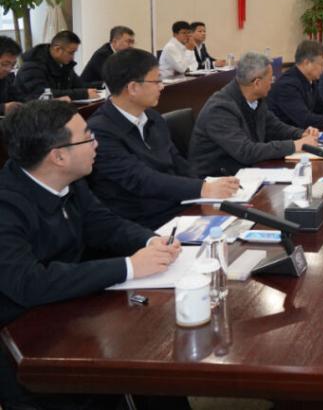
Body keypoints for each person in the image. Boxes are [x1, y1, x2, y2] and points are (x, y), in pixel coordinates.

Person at [0, 101, 181, 408]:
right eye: (88, 137)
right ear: (58, 156)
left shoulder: (70, 181)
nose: (96, 143)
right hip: (25, 342)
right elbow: (29, 282)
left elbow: (104, 224)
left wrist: (151, 241)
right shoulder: (6, 205)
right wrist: (128, 267)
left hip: (73, 309)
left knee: (158, 359)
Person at [88, 49, 240, 229]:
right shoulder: (100, 131)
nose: (162, 87)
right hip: (141, 223)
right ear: (133, 88)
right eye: (157, 81)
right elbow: (141, 180)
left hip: (176, 207)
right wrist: (202, 188)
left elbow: (177, 162)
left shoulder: (153, 117)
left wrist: (209, 184)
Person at [189, 53, 319, 177]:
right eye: (270, 79)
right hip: (217, 179)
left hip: (245, 172)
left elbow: (274, 127)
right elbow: (246, 151)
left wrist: (301, 134)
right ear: (257, 83)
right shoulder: (220, 109)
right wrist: (295, 145)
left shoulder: (255, 99)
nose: (272, 82)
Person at [268, 40, 323, 130]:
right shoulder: (287, 85)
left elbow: (320, 106)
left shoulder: (311, 79)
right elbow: (304, 120)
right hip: (286, 135)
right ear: (307, 63)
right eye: (322, 64)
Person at [15, 30, 101, 100]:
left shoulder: (64, 65)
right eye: (71, 53)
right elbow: (44, 94)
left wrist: (103, 85)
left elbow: (80, 85)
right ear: (57, 49)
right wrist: (83, 94)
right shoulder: (32, 67)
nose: (73, 57)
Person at [0, 36, 25, 116]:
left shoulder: (7, 78)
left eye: (13, 65)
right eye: (4, 64)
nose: (8, 69)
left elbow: (19, 98)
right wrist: (3, 108)